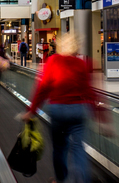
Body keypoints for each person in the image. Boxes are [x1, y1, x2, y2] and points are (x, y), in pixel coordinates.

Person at [22, 33, 94, 183]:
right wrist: (100, 114)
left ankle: (62, 179)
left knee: (60, 147)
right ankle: (81, 180)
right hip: (78, 110)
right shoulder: (81, 64)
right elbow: (88, 90)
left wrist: (32, 110)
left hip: (58, 110)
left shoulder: (53, 61)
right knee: (78, 147)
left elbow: (43, 88)